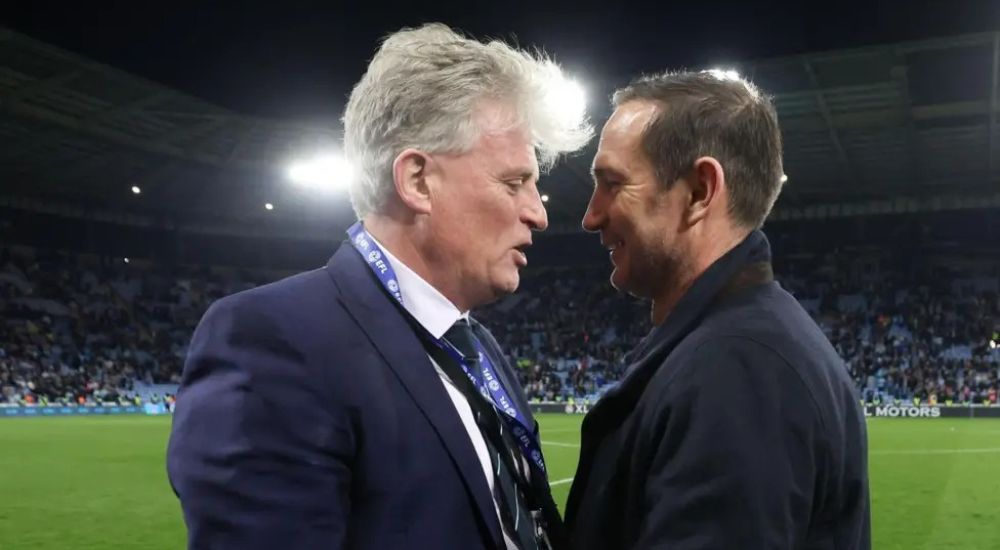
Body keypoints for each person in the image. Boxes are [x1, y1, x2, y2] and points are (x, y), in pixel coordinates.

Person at [166, 23, 592, 550]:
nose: (538, 213)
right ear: (417, 181)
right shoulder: (274, 340)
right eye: (514, 183)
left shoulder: (479, 348)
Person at [565, 70, 871, 549]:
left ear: (699, 191)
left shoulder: (738, 369)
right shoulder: (743, 341)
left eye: (612, 183)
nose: (590, 216)